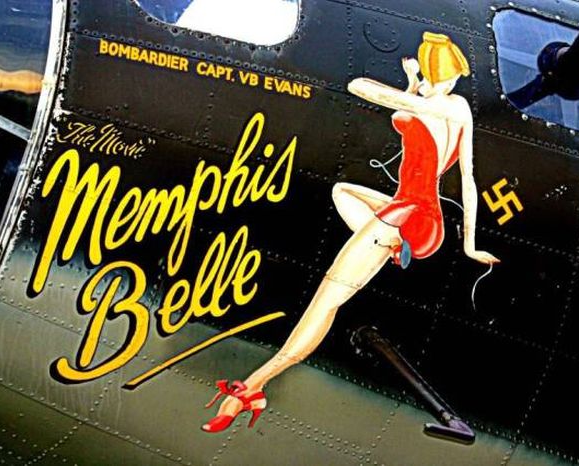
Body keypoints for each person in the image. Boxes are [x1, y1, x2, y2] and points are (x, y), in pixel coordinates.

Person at [201, 32, 500, 433]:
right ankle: (393, 245)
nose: (443, 83)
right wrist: (470, 246)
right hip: (415, 212)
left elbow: (360, 87)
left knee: (327, 300)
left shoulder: (435, 106)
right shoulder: (459, 109)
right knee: (342, 192)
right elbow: (467, 180)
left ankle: (254, 386)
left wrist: (411, 93)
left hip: (410, 214)